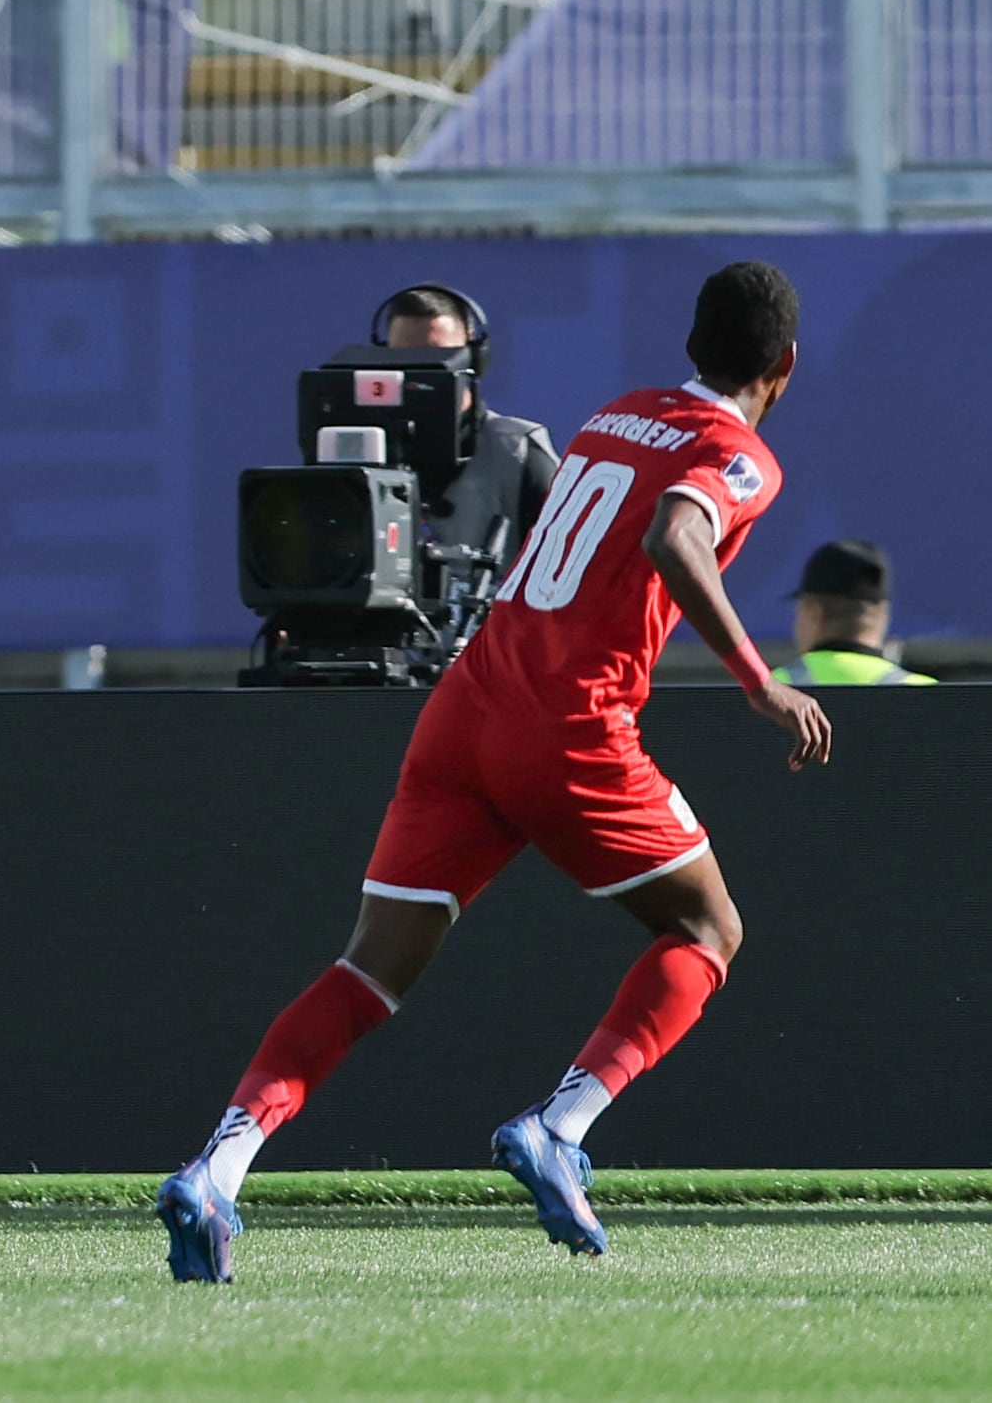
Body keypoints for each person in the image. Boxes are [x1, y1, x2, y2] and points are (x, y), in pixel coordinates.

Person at [159, 261, 831, 1282]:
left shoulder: (617, 415)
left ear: (690, 345)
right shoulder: (738, 453)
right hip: (568, 726)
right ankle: (559, 1125)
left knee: (367, 967)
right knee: (705, 928)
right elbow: (673, 531)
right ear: (782, 365)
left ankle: (219, 1168)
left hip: (463, 710)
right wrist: (756, 676)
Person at [379, 284, 559, 560]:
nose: (420, 373)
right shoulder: (359, 451)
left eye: (439, 358)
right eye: (402, 358)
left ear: (476, 359)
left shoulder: (519, 455)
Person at [771, 540, 935, 687]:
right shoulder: (931, 696)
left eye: (798, 610)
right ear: (884, 616)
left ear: (815, 613)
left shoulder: (769, 693)